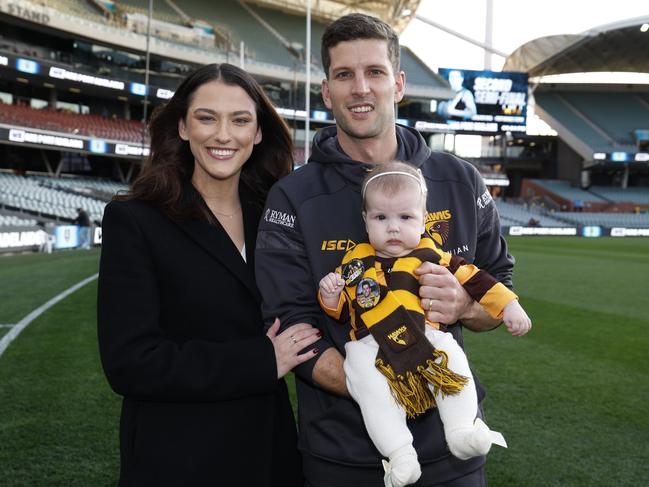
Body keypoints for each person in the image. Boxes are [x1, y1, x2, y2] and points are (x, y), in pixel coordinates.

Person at [256, 13, 517, 486]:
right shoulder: (292, 197)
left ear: (397, 84)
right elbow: (291, 323)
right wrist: (389, 383)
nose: (361, 88)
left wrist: (465, 305)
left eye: (374, 72)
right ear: (326, 91)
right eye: (344, 75)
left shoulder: (460, 180)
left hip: (451, 452)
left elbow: (498, 282)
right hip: (342, 454)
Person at [97, 63, 319, 487]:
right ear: (182, 127)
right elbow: (130, 363)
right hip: (178, 457)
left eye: (239, 120)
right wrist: (259, 360)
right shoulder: (135, 219)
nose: (223, 135)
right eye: (206, 118)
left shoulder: (275, 217)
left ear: (257, 133)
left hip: (269, 452)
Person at [318, 162, 531, 487]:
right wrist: (330, 298)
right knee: (368, 388)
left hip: (426, 338)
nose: (392, 228)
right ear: (365, 220)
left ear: (422, 218)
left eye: (405, 218)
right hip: (369, 347)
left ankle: (461, 430)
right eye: (381, 218)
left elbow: (478, 280)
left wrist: (510, 306)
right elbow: (345, 310)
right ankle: (400, 454)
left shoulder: (432, 253)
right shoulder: (353, 262)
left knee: (456, 364)